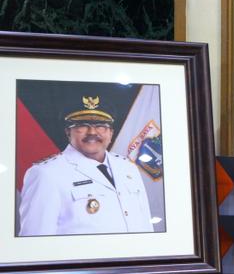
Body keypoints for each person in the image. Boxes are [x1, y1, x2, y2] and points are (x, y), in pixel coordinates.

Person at [18, 95, 155, 236]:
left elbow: (146, 225)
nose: (92, 132)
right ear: (68, 132)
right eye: (82, 125)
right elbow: (35, 240)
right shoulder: (46, 173)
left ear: (111, 133)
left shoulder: (128, 167)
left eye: (101, 126)